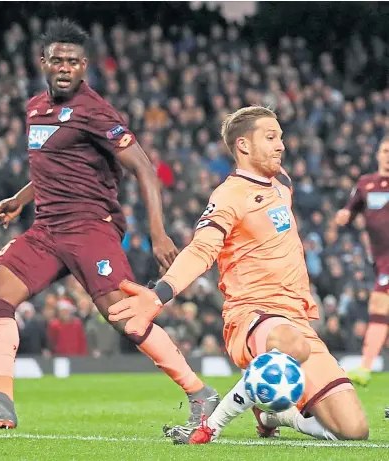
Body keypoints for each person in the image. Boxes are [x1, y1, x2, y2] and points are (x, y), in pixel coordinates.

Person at [0, 19, 218, 429]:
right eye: (56, 59)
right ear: (43, 61)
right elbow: (50, 165)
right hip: (46, 228)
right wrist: (20, 201)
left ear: (84, 66)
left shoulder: (96, 112)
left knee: (124, 315)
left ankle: (199, 392)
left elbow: (145, 169)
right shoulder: (36, 108)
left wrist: (158, 232)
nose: (63, 67)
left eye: (72, 61)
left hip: (91, 226)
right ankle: (1, 400)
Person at [108, 106, 369, 444]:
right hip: (252, 314)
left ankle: (275, 413)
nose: (281, 146)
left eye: (281, 137)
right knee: (292, 344)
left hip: (296, 319)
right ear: (243, 145)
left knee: (354, 431)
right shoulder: (229, 196)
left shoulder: (282, 183)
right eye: (271, 138)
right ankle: (210, 426)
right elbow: (202, 250)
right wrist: (159, 294)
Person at [335, 137, 389, 386]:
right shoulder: (366, 184)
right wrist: (345, 214)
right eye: (385, 150)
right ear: (378, 154)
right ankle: (365, 367)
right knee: (378, 307)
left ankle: (366, 366)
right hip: (381, 259)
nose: (388, 155)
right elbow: (351, 207)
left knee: (379, 303)